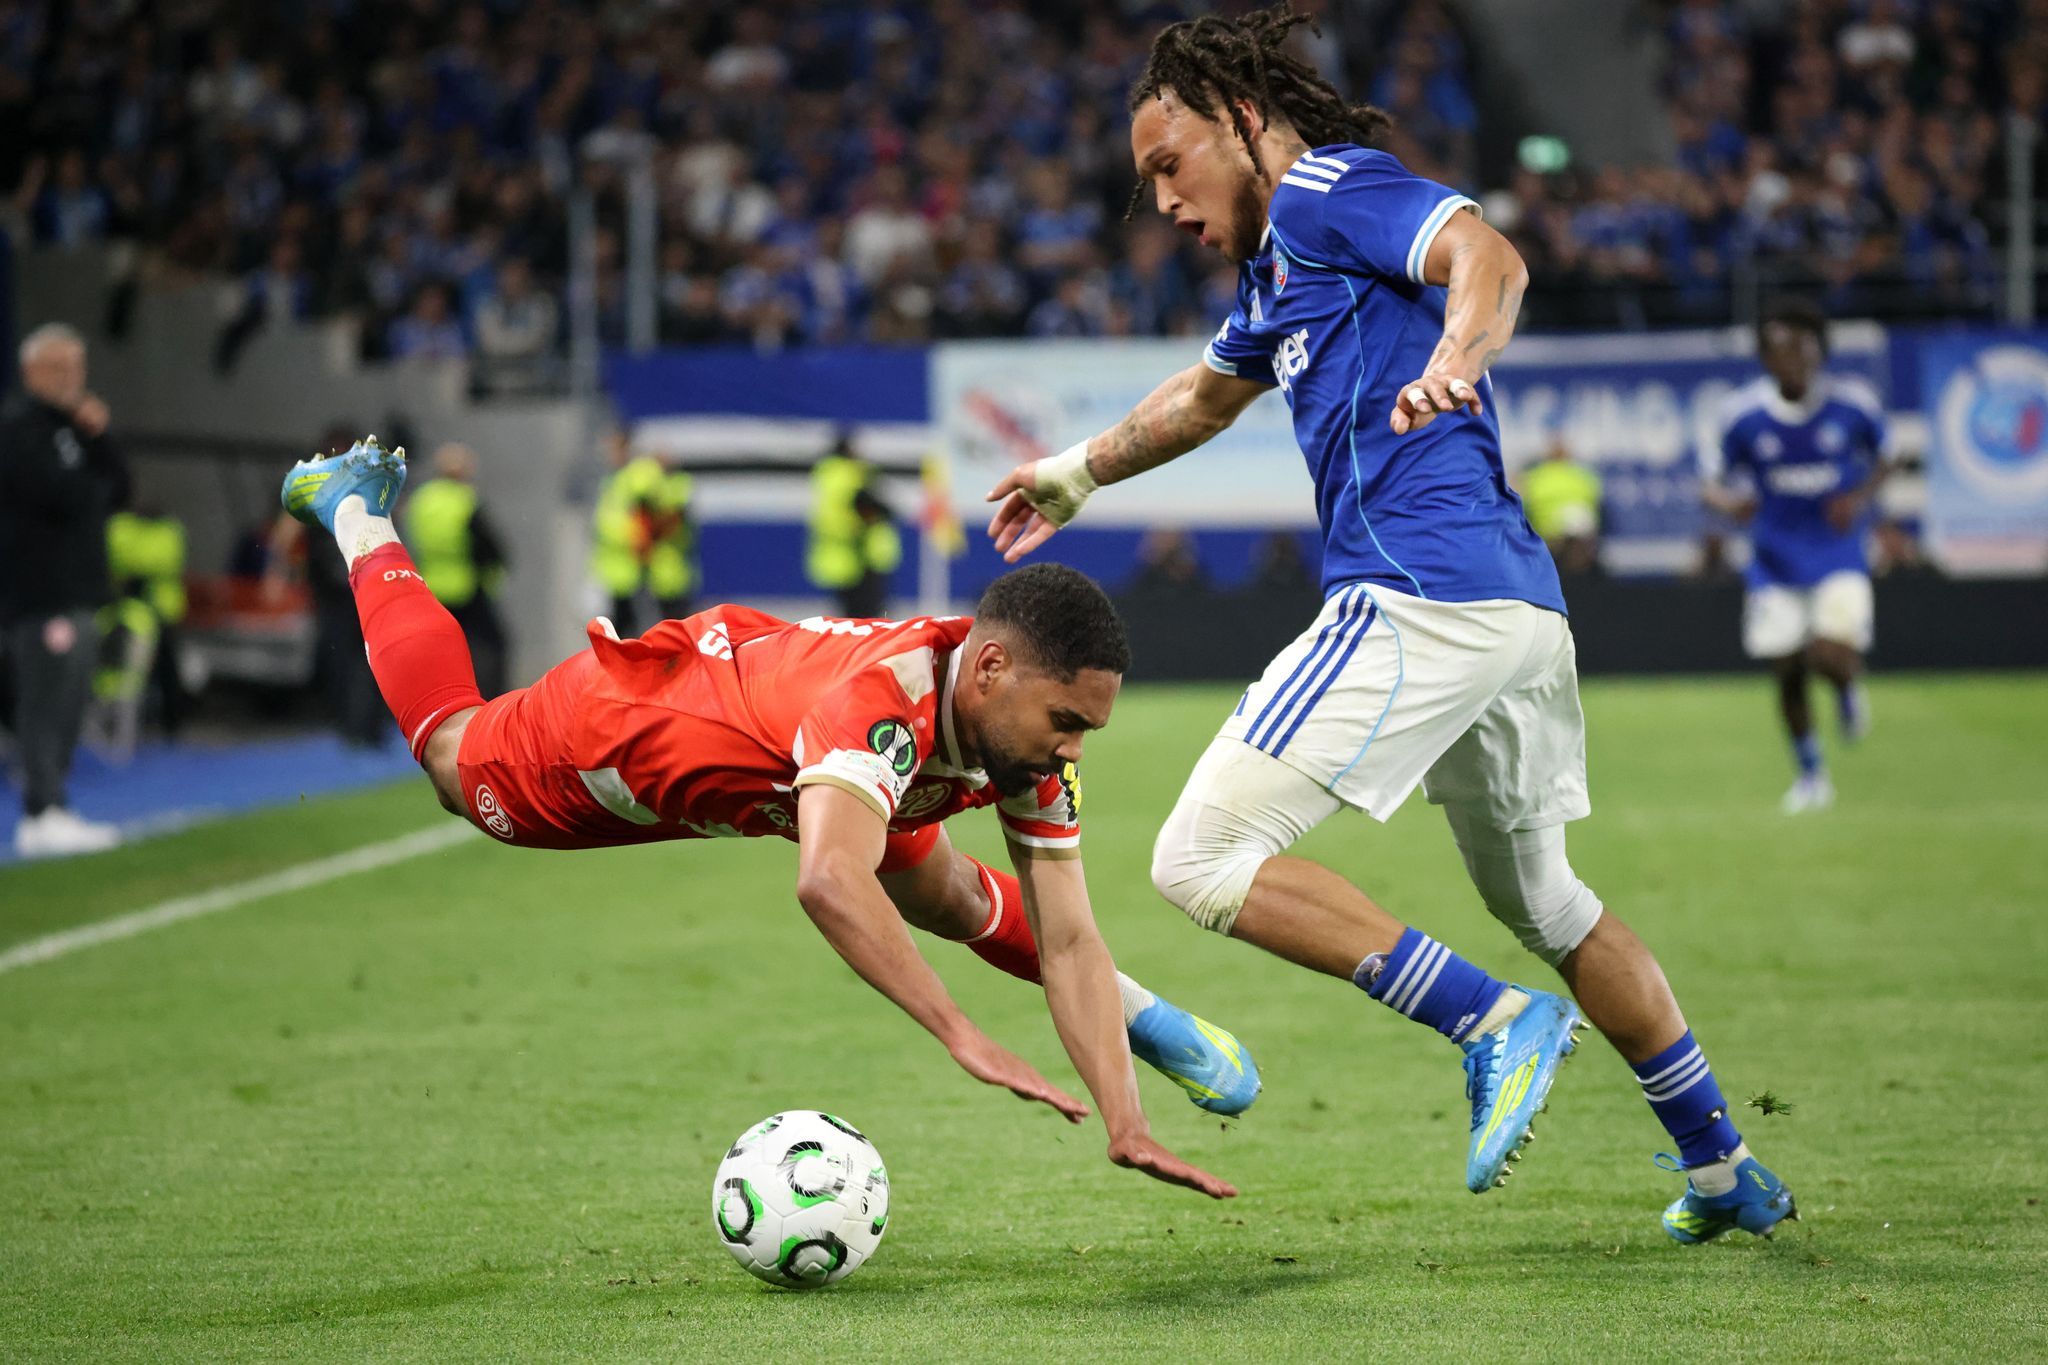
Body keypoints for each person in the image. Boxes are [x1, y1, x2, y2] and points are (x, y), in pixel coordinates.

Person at [985, 6, 1793, 1243]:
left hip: (1416, 590)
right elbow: (1205, 395)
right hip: (1513, 611)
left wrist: (1458, 357)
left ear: (1241, 122)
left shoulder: (1321, 192)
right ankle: (1721, 1166)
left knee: (1196, 858)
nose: (1159, 202)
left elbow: (1491, 259)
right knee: (1551, 903)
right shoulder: (1276, 269)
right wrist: (1079, 473)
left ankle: (1487, 1018)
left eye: (1168, 165)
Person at [280, 436, 1254, 1197]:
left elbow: (1069, 937)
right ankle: (356, 511)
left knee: (951, 891)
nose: (1073, 749)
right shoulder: (883, 707)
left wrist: (1123, 1118)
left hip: (799, 745)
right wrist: (959, 1031)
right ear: (992, 673)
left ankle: (1152, 1021)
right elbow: (827, 881)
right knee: (454, 759)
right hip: (633, 731)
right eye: (1066, 722)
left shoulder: (1013, 727)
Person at [1703, 300, 1888, 815]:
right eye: (1780, 349)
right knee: (1785, 669)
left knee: (1828, 653)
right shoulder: (1744, 416)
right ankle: (1811, 777)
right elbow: (1710, 485)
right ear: (1765, 357)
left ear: (1819, 350)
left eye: (1802, 347)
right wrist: (1731, 503)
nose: (1792, 358)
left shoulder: (1853, 406)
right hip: (1774, 560)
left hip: (1838, 554)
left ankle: (1848, 687)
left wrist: (1858, 499)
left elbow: (1887, 458)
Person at [0, 323, 128, 857]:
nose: (71, 378)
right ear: (31, 371)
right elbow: (62, 495)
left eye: (77, 367)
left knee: (71, 698)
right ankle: (39, 810)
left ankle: (54, 805)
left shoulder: (77, 428)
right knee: (43, 701)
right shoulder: (18, 427)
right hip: (39, 593)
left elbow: (118, 490)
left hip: (78, 591)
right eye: (59, 368)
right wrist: (89, 482)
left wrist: (99, 439)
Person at [402, 442, 511, 697]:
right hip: (466, 585)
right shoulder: (465, 500)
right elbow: (489, 546)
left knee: (437, 650)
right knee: (488, 647)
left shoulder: (421, 500)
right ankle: (488, 702)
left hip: (431, 587)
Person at [591, 429, 696, 636]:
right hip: (621, 570)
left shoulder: (642, 476)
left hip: (645, 569)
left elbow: (656, 516)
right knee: (625, 630)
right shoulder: (618, 479)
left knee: (664, 628)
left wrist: (641, 539)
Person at [806, 432, 902, 619]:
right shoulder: (850, 475)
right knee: (867, 617)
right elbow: (868, 505)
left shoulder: (826, 476)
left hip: (845, 558)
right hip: (861, 557)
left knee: (850, 617)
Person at [1518, 434, 1603, 576]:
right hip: (1549, 536)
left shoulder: (1583, 476)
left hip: (1578, 527)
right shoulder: (1535, 477)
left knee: (1578, 523)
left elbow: (1596, 509)